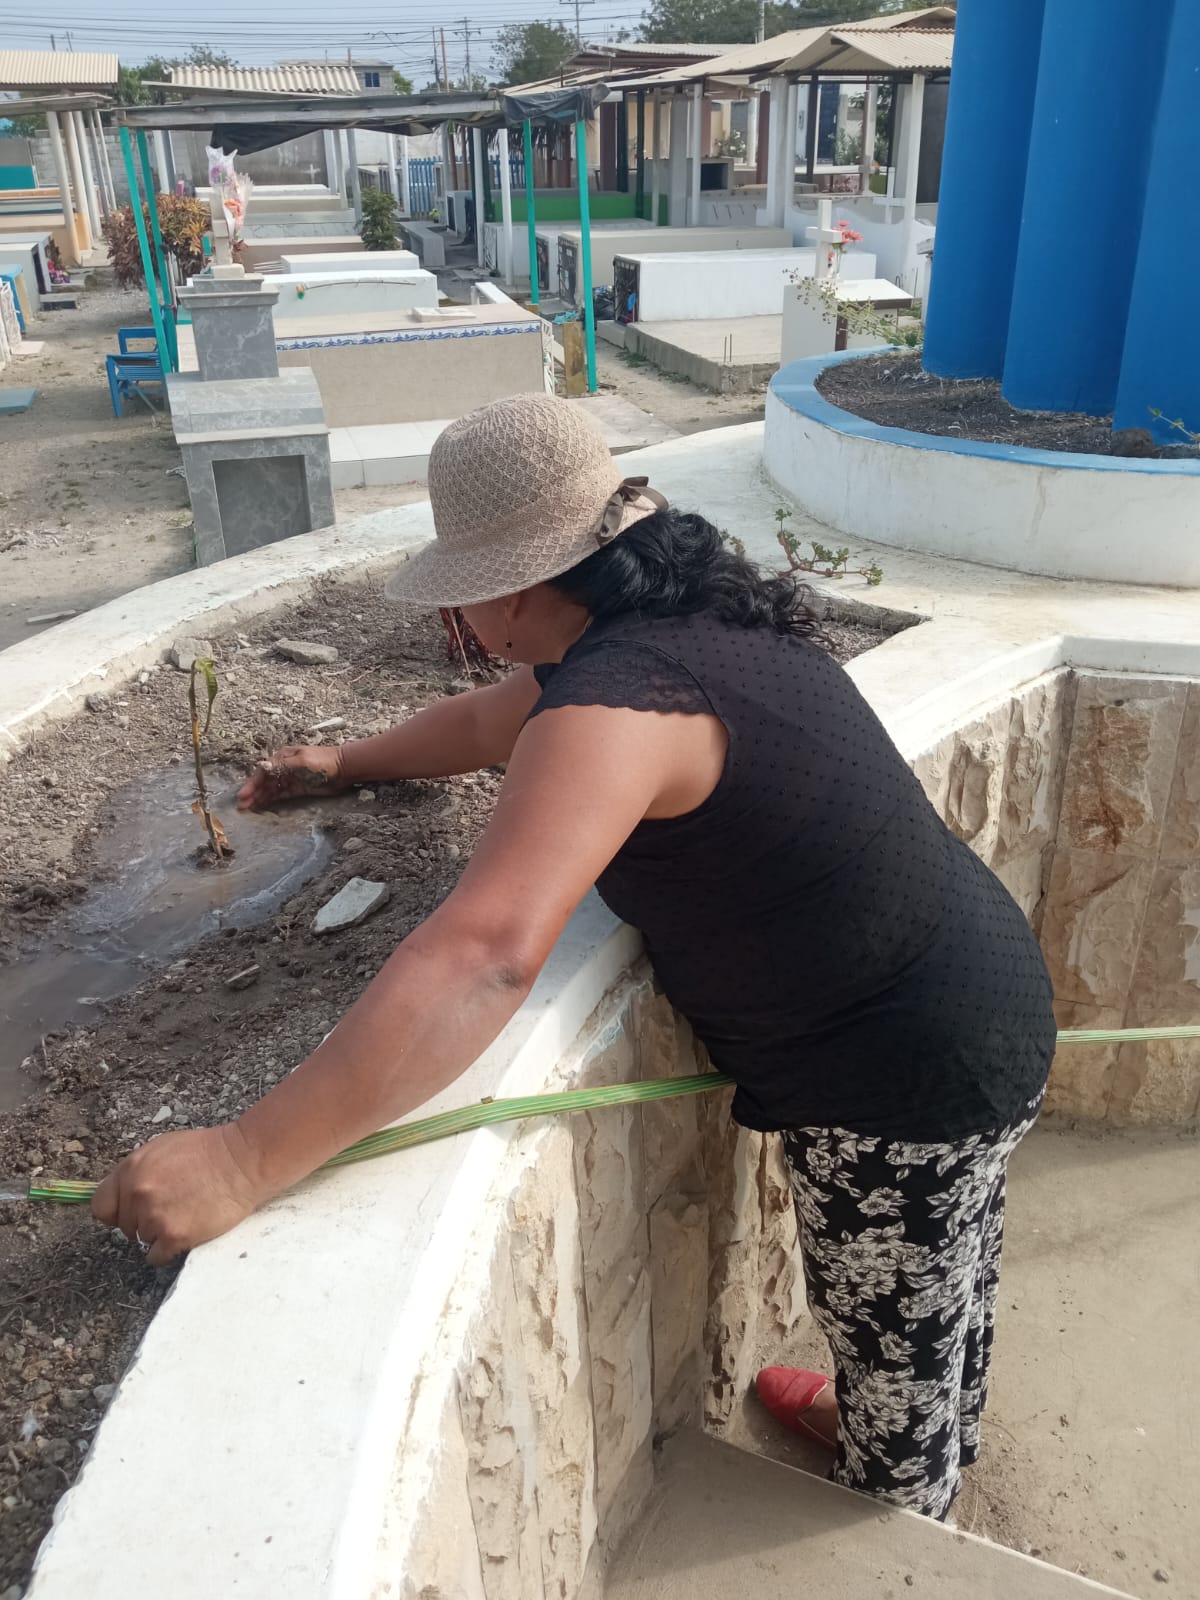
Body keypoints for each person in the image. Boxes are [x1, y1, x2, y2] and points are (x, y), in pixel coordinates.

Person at [93, 393, 1056, 1519]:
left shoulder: (615, 707)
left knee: (894, 1305)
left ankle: (899, 1495)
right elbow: (486, 726)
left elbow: (487, 957)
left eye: (463, 590)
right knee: (946, 1278)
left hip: (905, 1078)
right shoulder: (676, 619)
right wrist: (344, 760)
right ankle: (918, 1417)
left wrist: (242, 1159)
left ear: (512, 590)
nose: (460, 616)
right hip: (972, 992)